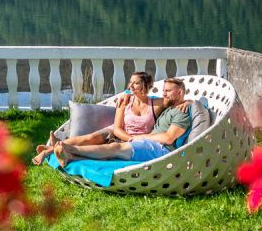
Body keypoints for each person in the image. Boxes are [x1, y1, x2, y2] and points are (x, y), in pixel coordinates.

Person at [54, 77, 192, 167]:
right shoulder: (169, 105)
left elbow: (168, 138)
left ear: (180, 93)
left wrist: (138, 137)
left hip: (161, 150)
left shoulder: (182, 112)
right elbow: (143, 96)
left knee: (115, 148)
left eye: (168, 91)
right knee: (109, 146)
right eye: (163, 91)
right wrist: (127, 93)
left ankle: (68, 150)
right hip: (148, 143)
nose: (164, 94)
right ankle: (68, 155)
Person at [32, 71, 162, 165]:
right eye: (131, 82)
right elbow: (117, 128)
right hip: (119, 132)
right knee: (90, 138)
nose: (130, 86)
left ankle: (54, 150)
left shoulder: (156, 104)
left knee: (105, 150)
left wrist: (183, 103)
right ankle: (49, 151)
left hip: (137, 140)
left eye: (136, 83)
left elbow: (174, 100)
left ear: (145, 86)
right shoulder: (125, 101)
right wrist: (129, 138)